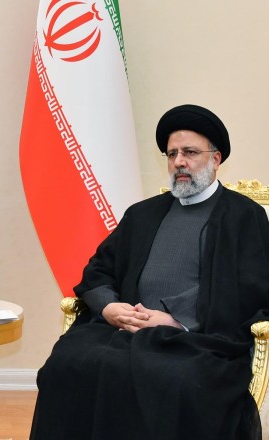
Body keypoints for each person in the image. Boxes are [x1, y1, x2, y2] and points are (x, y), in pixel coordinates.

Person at [30, 104, 269, 440]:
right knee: (66, 364)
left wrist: (176, 319)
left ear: (216, 159)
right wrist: (109, 307)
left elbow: (252, 288)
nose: (179, 162)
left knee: (174, 379)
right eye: (172, 154)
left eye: (190, 152)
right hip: (124, 329)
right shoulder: (142, 214)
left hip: (199, 340)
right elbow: (98, 269)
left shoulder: (244, 216)